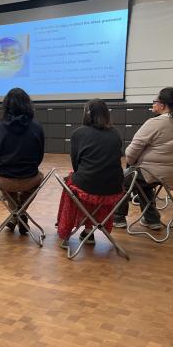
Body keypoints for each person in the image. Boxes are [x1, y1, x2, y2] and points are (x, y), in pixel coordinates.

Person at [113, 87, 173, 229]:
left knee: (123, 178)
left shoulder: (155, 123)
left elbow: (130, 154)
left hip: (160, 173)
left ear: (162, 105)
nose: (153, 104)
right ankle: (152, 219)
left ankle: (118, 218)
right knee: (141, 179)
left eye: (155, 101)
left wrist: (134, 162)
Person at [56, 99, 124, 248]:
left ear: (86, 114)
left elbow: (76, 165)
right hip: (114, 187)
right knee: (90, 180)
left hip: (89, 185)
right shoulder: (115, 133)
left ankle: (64, 228)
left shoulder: (78, 133)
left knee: (72, 181)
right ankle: (88, 231)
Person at [0, 88, 45, 235]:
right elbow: (39, 157)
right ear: (28, 105)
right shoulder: (37, 127)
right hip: (29, 179)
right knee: (41, 177)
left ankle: (15, 215)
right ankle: (20, 214)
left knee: (7, 185)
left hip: (4, 180)